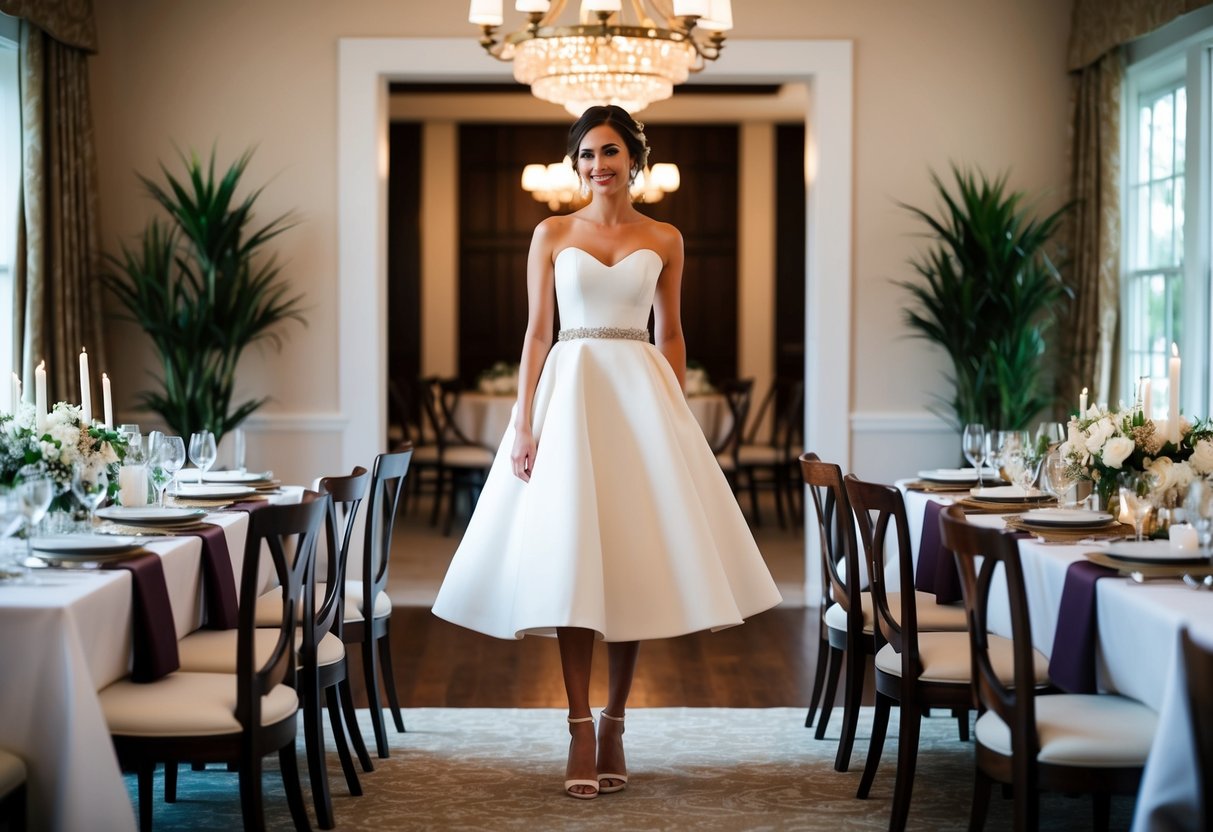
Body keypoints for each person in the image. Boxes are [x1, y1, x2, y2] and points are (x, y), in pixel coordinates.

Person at [432, 105, 781, 800]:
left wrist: (674, 415)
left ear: (634, 158)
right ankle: (578, 725)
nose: (599, 165)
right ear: (576, 164)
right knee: (569, 561)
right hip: (570, 402)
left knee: (630, 564)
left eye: (610, 151)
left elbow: (672, 333)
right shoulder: (551, 232)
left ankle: (617, 718)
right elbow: (536, 335)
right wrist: (524, 423)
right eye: (587, 154)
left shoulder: (666, 237)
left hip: (640, 403)